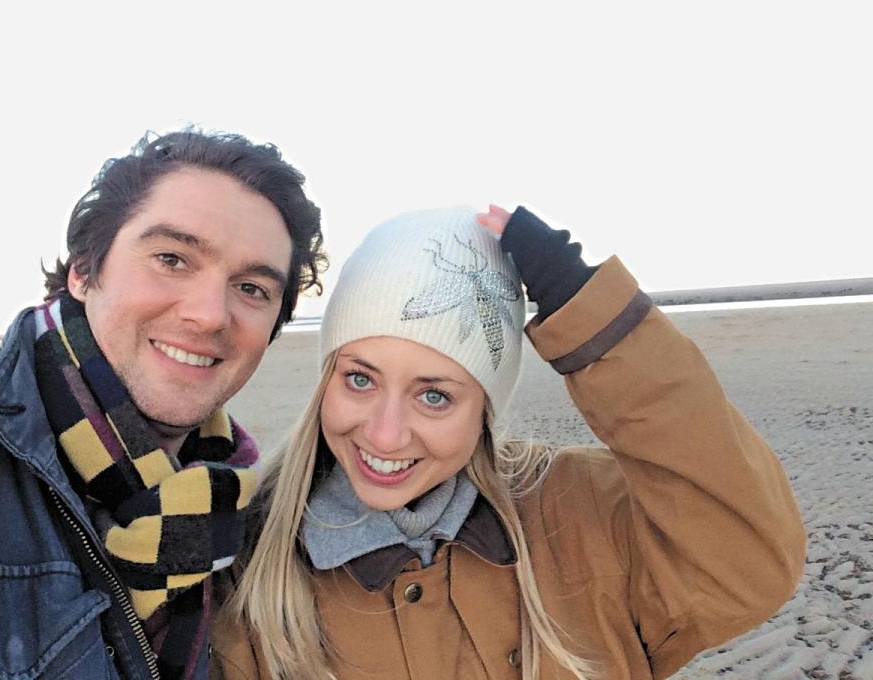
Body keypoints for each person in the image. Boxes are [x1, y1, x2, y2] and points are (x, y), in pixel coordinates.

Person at [211, 205, 806, 680]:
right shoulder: (255, 570)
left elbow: (746, 562)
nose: (384, 433)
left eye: (435, 395)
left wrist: (596, 325)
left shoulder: (577, 515)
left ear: (484, 411)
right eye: (359, 378)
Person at [0, 129, 327, 680]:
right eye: (172, 259)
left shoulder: (244, 525)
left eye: (252, 288)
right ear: (83, 271)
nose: (210, 314)